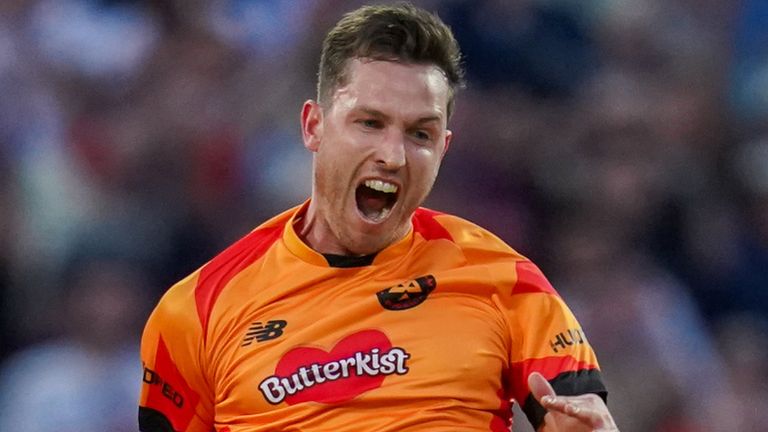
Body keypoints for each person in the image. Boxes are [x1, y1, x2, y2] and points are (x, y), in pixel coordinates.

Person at [138, 3, 618, 431]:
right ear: (314, 126)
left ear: (443, 148)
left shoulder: (506, 282)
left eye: (420, 134)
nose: (393, 155)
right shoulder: (196, 311)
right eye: (370, 123)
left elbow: (581, 418)